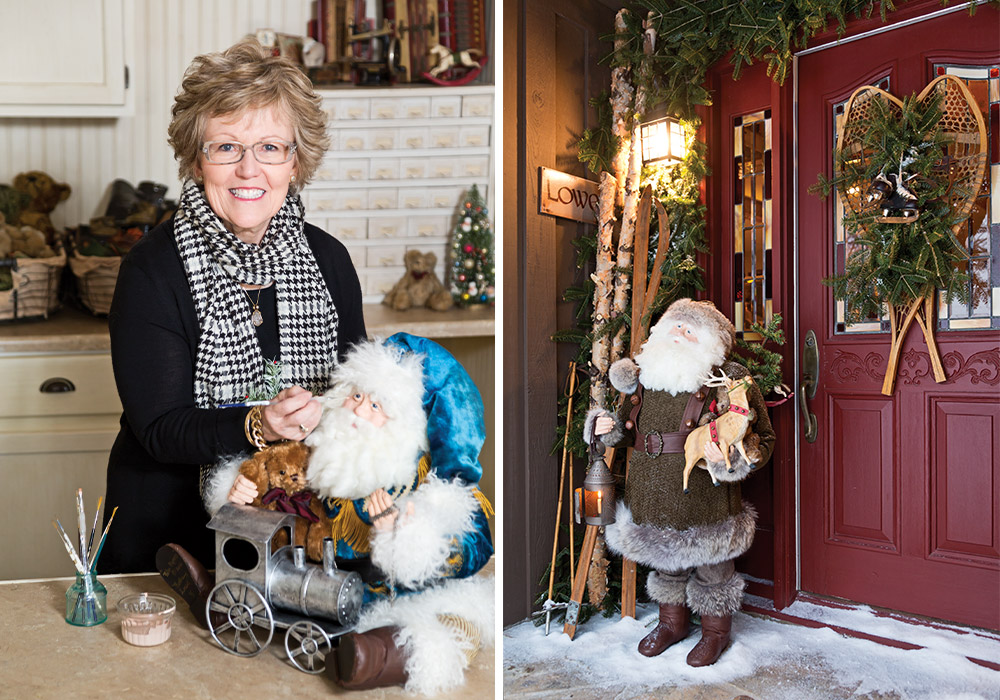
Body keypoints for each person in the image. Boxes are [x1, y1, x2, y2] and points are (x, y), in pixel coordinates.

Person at [99, 39, 365, 575]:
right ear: (197, 161)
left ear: (296, 161)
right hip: (169, 546)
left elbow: (357, 395)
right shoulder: (152, 269)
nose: (249, 169)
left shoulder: (329, 260)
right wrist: (259, 425)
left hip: (303, 534)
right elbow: (160, 429)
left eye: (270, 147)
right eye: (226, 148)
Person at [204, 334, 494, 695]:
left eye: (376, 407)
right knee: (273, 580)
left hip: (396, 597)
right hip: (321, 587)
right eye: (357, 396)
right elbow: (279, 472)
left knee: (440, 634)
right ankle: (218, 594)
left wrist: (404, 535)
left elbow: (475, 544)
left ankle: (370, 659)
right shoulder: (321, 452)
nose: (357, 411)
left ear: (406, 424)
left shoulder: (426, 484)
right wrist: (244, 487)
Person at [588, 298, 775, 667]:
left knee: (713, 568)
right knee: (665, 563)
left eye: (690, 330)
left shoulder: (729, 378)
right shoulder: (647, 373)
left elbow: (764, 440)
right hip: (651, 489)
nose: (679, 334)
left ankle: (715, 633)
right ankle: (671, 624)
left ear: (711, 342)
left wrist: (732, 458)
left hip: (705, 495)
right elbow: (628, 429)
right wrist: (605, 428)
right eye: (675, 326)